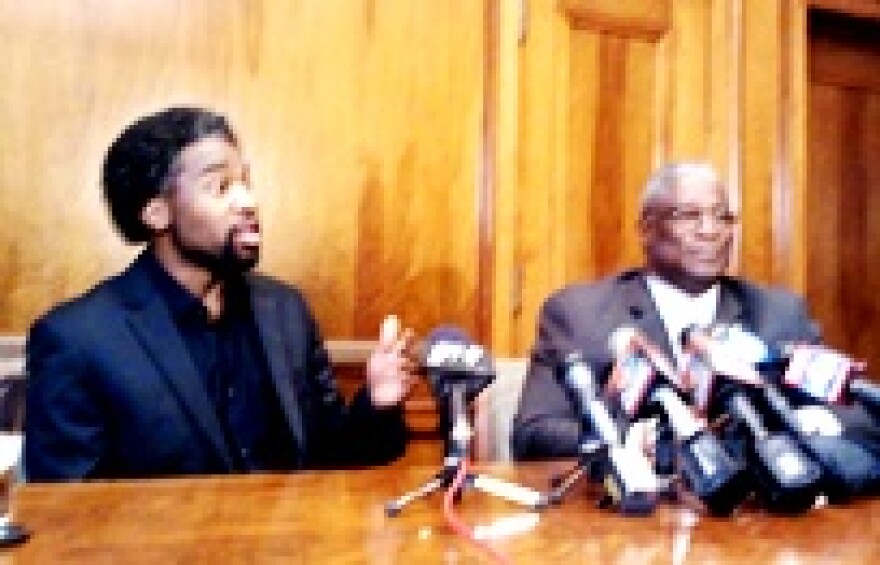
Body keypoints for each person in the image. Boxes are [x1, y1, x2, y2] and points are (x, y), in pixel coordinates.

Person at [25, 107, 417, 481]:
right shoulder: (77, 340)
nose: (248, 202)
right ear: (157, 213)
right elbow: (70, 511)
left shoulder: (285, 310)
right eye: (221, 187)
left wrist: (378, 403)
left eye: (246, 183)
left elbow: (332, 461)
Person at [512, 162, 828, 460]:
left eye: (723, 217)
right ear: (646, 229)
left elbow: (848, 412)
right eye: (689, 216)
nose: (710, 231)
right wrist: (633, 439)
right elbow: (533, 433)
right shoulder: (582, 314)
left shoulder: (778, 313)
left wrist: (811, 423)